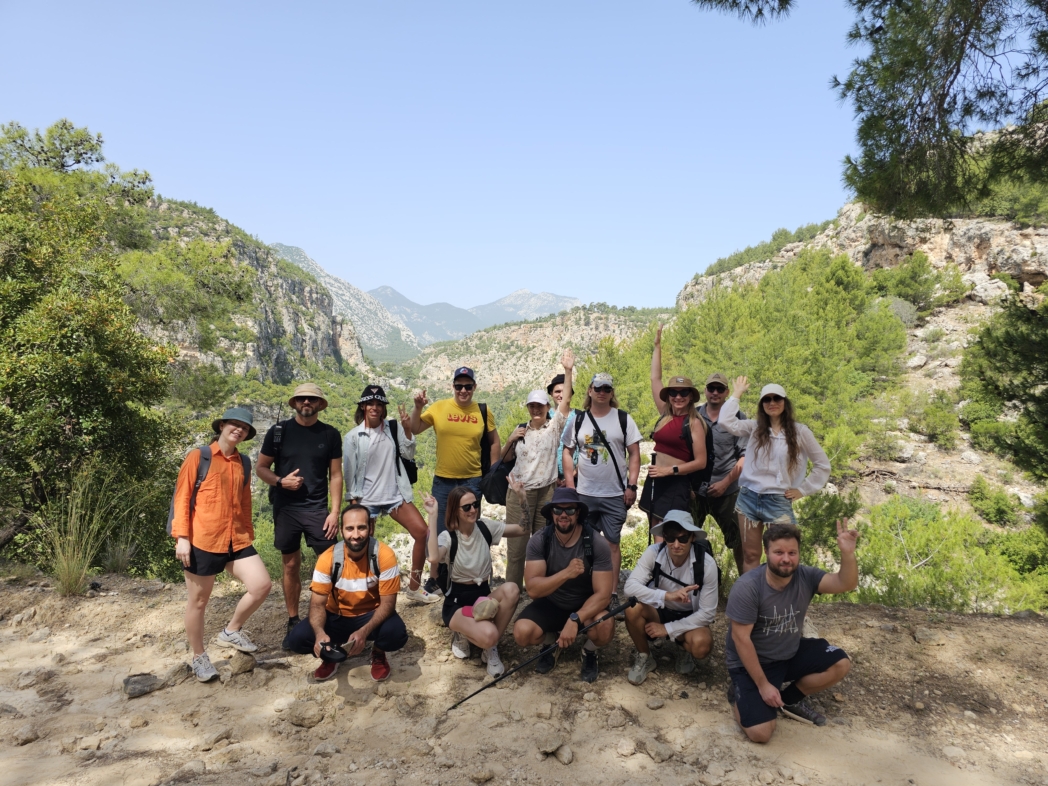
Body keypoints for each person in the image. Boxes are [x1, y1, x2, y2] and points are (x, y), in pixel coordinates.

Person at [726, 521, 858, 742]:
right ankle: (742, 695)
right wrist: (763, 685)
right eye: (778, 552)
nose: (786, 558)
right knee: (761, 733)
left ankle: (789, 700)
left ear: (798, 554)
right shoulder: (748, 587)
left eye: (792, 552)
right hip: (751, 662)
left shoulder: (805, 576)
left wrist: (847, 553)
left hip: (788, 652)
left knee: (840, 663)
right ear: (766, 552)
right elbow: (740, 639)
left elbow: (845, 583)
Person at [171, 407, 272, 682]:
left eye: (244, 427)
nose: (238, 429)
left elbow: (245, 502)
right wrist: (182, 538)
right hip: (202, 540)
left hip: (236, 539)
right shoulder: (199, 456)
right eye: (234, 424)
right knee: (199, 601)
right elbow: (181, 497)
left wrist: (248, 533)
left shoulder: (245, 463)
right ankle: (199, 656)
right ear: (223, 425)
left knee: (261, 585)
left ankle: (231, 631)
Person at [257, 383, 344, 648]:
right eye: (302, 399)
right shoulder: (278, 432)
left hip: (318, 510)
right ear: (295, 403)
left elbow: (336, 475)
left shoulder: (330, 434)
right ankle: (294, 618)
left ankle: (335, 613)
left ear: (320, 404)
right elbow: (261, 468)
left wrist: (335, 513)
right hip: (286, 510)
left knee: (331, 564)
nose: (307, 402)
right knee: (290, 565)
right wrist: (281, 481)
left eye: (312, 399)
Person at [283, 504, 408, 682]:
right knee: (298, 639)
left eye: (361, 527)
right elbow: (317, 604)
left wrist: (363, 632)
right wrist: (319, 634)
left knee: (396, 633)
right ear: (341, 531)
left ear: (370, 528)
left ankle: (378, 652)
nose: (355, 535)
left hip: (370, 614)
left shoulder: (383, 555)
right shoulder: (329, 558)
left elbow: (388, 604)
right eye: (349, 528)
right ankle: (331, 654)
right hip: (336, 616)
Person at [718, 378, 831, 574]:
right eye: (767, 399)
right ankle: (750, 600)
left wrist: (803, 490)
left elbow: (822, 465)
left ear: (785, 402)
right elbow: (725, 421)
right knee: (751, 555)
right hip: (749, 498)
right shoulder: (754, 429)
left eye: (777, 398)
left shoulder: (799, 432)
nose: (772, 403)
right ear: (762, 405)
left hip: (778, 501)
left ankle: (781, 602)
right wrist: (737, 394)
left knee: (782, 557)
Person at [343, 384, 439, 604]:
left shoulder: (392, 427)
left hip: (396, 494)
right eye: (370, 403)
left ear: (383, 408)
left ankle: (414, 587)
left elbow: (408, 452)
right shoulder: (353, 437)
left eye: (379, 404)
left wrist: (406, 430)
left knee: (422, 533)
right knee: (361, 545)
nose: (374, 408)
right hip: (367, 498)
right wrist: (354, 504)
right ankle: (363, 592)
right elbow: (349, 472)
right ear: (363, 406)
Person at [410, 366, 501, 596]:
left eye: (467, 386)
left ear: (474, 387)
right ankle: (437, 580)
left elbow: (494, 442)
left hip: (472, 481)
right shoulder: (439, 407)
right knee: (440, 530)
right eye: (458, 386)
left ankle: (470, 578)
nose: (463, 390)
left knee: (470, 532)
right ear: (453, 386)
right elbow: (415, 428)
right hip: (443, 481)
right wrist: (418, 407)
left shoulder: (482, 411)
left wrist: (494, 471)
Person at [512, 487, 615, 683]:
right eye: (558, 510)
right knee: (522, 633)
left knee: (605, 626)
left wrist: (575, 619)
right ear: (552, 514)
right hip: (552, 603)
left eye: (569, 510)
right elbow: (533, 589)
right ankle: (553, 642)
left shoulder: (595, 542)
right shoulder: (540, 540)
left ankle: (589, 651)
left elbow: (603, 595)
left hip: (585, 604)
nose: (563, 515)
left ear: (578, 513)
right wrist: (566, 573)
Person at [423, 486, 527, 677]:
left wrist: (522, 501)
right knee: (489, 634)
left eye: (475, 505)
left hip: (483, 597)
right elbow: (433, 558)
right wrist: (432, 515)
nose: (473, 510)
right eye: (466, 507)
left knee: (512, 589)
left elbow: (522, 529)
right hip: (457, 603)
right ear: (455, 510)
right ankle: (466, 634)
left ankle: (490, 647)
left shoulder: (485, 527)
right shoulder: (448, 537)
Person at [561, 373, 641, 609]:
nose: (602, 392)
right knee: (584, 542)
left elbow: (635, 453)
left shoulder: (623, 419)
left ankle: (612, 592)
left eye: (607, 388)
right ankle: (589, 588)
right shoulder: (578, 420)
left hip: (615, 494)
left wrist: (632, 485)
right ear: (590, 391)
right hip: (585, 494)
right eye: (598, 388)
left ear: (611, 392)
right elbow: (567, 450)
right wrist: (570, 486)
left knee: (612, 544)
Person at [503, 350, 574, 591]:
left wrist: (568, 370)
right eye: (532, 406)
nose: (536, 410)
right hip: (519, 494)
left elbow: (565, 403)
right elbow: (503, 459)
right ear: (527, 408)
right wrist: (510, 439)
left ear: (546, 407)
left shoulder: (553, 427)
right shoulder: (520, 429)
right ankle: (511, 593)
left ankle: (541, 589)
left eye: (540, 406)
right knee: (516, 549)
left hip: (546, 492)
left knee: (543, 545)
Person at [623, 510, 718, 685]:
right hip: (659, 609)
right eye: (670, 538)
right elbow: (630, 588)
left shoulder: (706, 565)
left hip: (690, 615)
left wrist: (667, 628)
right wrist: (667, 595)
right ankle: (645, 655)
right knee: (632, 607)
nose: (676, 544)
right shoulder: (654, 552)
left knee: (702, 644)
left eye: (682, 539)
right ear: (664, 537)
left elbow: (707, 614)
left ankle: (684, 650)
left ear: (692, 538)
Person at [641, 325, 708, 538]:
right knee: (656, 531)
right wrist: (657, 346)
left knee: (673, 535)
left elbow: (701, 462)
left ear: (691, 396)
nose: (678, 397)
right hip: (656, 480)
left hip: (676, 482)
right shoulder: (665, 414)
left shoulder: (694, 422)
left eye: (683, 393)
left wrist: (669, 471)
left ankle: (670, 570)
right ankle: (659, 570)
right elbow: (655, 379)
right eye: (673, 393)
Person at [692, 373, 748, 574]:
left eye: (720, 389)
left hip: (728, 492)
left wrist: (725, 482)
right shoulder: (693, 416)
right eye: (711, 388)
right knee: (685, 538)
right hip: (696, 491)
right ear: (705, 390)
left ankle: (745, 589)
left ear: (726, 392)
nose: (715, 393)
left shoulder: (738, 418)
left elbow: (744, 456)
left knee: (739, 542)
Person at [547, 369, 574, 487]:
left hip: (577, 478)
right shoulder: (544, 417)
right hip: (549, 479)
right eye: (557, 391)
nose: (561, 395)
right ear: (551, 394)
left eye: (565, 391)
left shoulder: (580, 416)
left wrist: (573, 474)